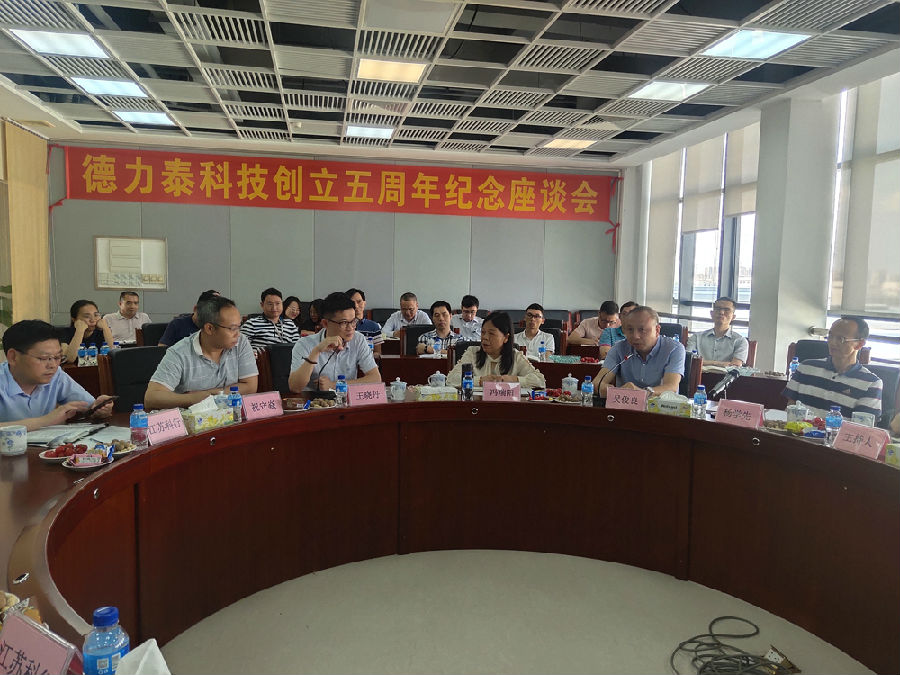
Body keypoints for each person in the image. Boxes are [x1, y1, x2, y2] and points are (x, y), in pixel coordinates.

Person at [145, 296, 258, 409]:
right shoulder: (179, 353)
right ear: (209, 328)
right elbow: (151, 398)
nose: (238, 334)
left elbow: (250, 386)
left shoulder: (240, 342)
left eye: (239, 326)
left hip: (230, 415)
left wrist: (208, 395)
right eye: (232, 328)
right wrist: (192, 399)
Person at [1, 320, 114, 430]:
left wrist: (98, 408)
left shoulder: (55, 375)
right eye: (44, 358)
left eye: (57, 357)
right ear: (13, 357)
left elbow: (88, 406)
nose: (53, 365)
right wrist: (46, 421)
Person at [783, 316, 882, 419]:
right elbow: (790, 408)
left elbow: (861, 426)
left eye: (841, 339)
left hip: (837, 430)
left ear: (859, 344)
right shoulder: (805, 367)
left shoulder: (871, 383)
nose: (832, 342)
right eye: (830, 336)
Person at [288, 292, 381, 392]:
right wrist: (316, 351)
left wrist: (334, 385)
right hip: (313, 400)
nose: (350, 328)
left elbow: (375, 379)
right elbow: (295, 388)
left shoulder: (358, 339)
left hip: (345, 400)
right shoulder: (304, 344)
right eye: (344, 322)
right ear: (325, 323)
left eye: (353, 321)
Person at [594, 305, 685, 398]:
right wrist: (615, 391)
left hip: (661, 405)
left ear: (657, 330)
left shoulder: (674, 349)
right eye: (630, 329)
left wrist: (641, 393)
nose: (635, 336)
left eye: (642, 330)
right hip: (626, 404)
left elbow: (671, 387)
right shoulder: (619, 348)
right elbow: (597, 383)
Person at [446, 311, 545, 389]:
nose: (485, 337)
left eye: (491, 334)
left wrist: (514, 380)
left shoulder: (516, 356)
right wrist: (480, 381)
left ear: (506, 337)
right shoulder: (472, 352)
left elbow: (540, 381)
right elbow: (451, 379)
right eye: (483, 332)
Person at [685, 296, 749, 367]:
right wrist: (718, 363)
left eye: (726, 310)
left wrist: (701, 362)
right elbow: (688, 360)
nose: (721, 312)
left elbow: (735, 365)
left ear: (733, 317)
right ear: (711, 314)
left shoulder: (740, 341)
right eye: (718, 309)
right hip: (698, 374)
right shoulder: (696, 337)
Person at [240, 287, 300, 352]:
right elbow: (239, 348)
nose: (274, 308)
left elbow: (299, 348)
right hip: (262, 358)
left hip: (287, 358)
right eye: (270, 304)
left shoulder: (290, 324)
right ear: (262, 305)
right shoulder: (252, 324)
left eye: (277, 303)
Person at [346, 288, 384, 355]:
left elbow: (378, 353)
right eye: (352, 303)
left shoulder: (374, 327)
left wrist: (365, 357)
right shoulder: (342, 326)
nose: (356, 306)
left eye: (359, 301)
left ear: (364, 303)